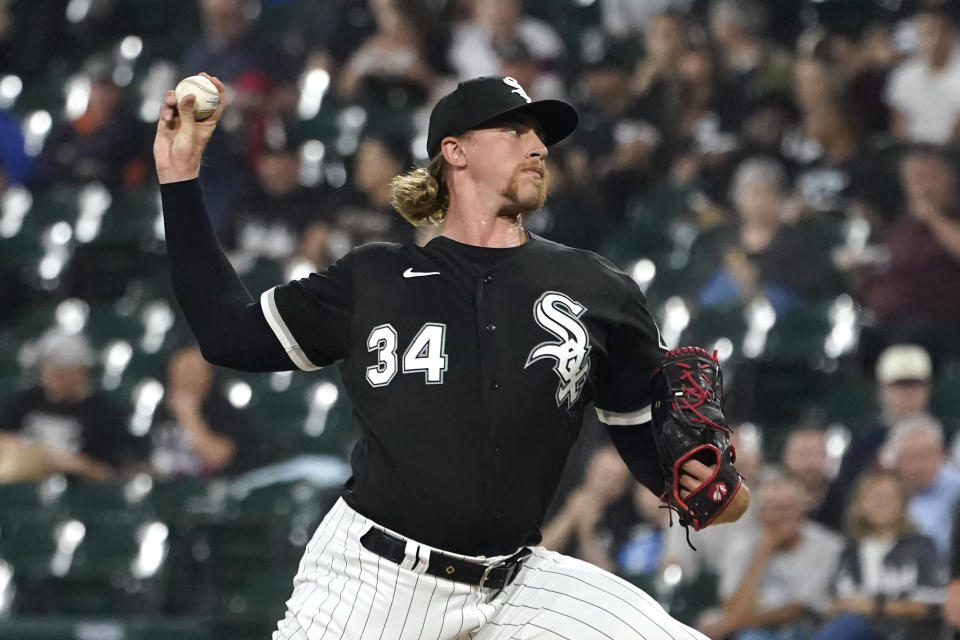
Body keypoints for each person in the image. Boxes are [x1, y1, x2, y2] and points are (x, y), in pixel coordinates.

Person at [154, 72, 749, 638]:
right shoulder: (374, 279)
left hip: (517, 584)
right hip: (375, 579)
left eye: (541, 136)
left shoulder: (598, 290)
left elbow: (655, 454)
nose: (538, 146)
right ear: (456, 152)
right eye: (515, 131)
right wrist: (180, 178)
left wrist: (712, 489)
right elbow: (227, 332)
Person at [698, 473, 844, 640]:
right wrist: (763, 551)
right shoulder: (742, 546)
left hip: (807, 629)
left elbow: (796, 609)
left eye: (790, 507)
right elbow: (731, 607)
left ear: (803, 508)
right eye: (775, 508)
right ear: (760, 515)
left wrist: (730, 624)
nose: (784, 516)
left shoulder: (829, 546)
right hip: (751, 631)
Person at [813, 472, 945, 640]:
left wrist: (873, 607)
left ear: (903, 504)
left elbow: (930, 605)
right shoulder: (849, 551)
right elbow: (837, 601)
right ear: (860, 505)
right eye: (874, 497)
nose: (881, 503)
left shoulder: (923, 546)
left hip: (909, 631)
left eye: (889, 497)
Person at [819, 343, 935, 530]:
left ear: (927, 389)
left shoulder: (946, 437)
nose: (908, 393)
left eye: (915, 385)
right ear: (882, 391)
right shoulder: (864, 443)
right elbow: (847, 495)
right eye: (898, 385)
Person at [0, 331, 143, 480]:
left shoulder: (102, 413)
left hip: (80, 494)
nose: (54, 372)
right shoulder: (24, 401)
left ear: (81, 370)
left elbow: (112, 473)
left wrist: (78, 465)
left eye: (63, 367)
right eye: (48, 365)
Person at [149, 346, 262, 479]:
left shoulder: (224, 410)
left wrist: (189, 416)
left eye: (194, 370)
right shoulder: (160, 410)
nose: (188, 378)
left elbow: (219, 458)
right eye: (183, 369)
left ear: (209, 376)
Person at [888, 412, 960, 558]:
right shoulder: (885, 493)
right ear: (896, 461)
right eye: (910, 457)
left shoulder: (957, 489)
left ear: (941, 453)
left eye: (925, 455)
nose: (918, 465)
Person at [885, 6, 960, 144]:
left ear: (951, 36)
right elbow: (898, 125)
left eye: (931, 33)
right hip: (912, 152)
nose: (926, 41)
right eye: (921, 34)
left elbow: (956, 133)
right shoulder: (903, 75)